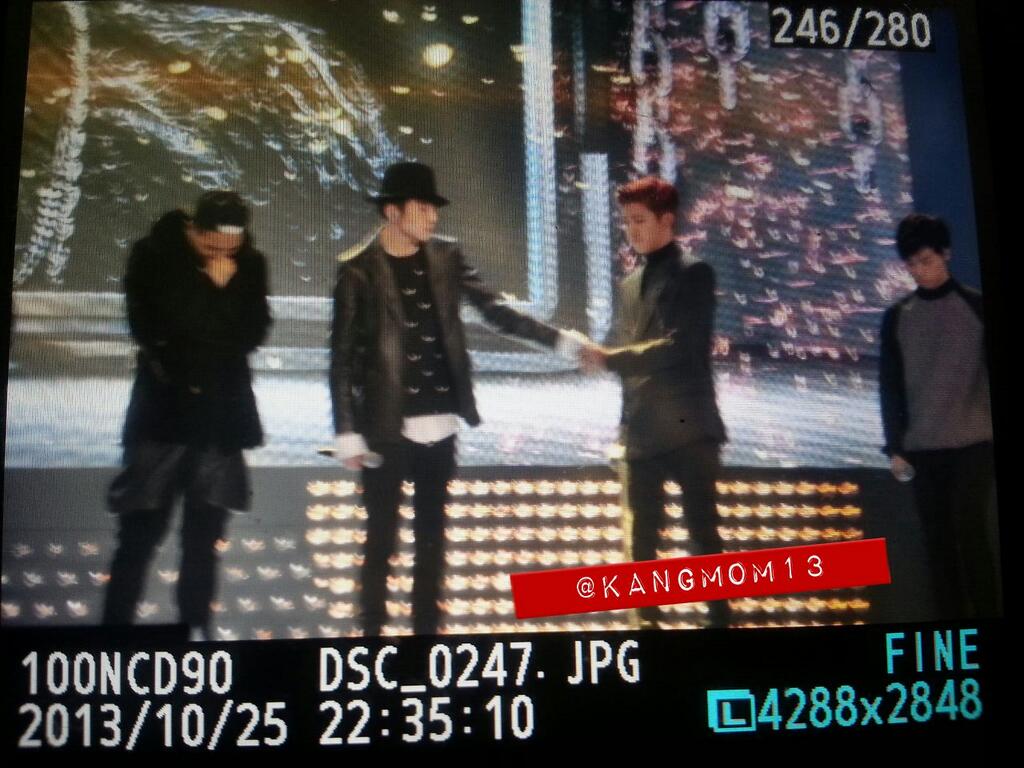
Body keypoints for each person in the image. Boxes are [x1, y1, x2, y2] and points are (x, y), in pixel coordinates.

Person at [330, 161, 581, 636]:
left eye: (434, 209)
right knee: (381, 542)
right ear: (393, 212)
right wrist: (346, 430)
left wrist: (562, 343)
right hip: (385, 426)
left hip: (440, 424)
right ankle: (371, 644)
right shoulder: (357, 271)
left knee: (431, 543)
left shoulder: (446, 257)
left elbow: (496, 311)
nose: (433, 217)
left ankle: (426, 644)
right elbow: (341, 359)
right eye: (423, 208)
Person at [103, 191, 272, 641]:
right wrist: (210, 289)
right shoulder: (154, 254)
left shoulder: (249, 263)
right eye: (213, 245)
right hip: (162, 420)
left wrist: (224, 294)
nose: (222, 255)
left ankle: (194, 635)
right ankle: (112, 639)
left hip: (220, 423)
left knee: (204, 543)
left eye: (231, 247)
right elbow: (152, 328)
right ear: (194, 230)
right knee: (139, 537)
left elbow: (252, 333)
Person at [580, 176, 729, 629]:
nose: (632, 230)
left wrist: (611, 359)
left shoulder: (695, 274)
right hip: (642, 434)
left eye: (640, 220)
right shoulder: (629, 285)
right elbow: (630, 364)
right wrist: (624, 430)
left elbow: (680, 346)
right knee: (641, 545)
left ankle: (722, 629)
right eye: (627, 221)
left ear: (667, 220)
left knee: (703, 538)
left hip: (689, 429)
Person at [879, 214, 1000, 619]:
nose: (919, 270)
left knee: (970, 534)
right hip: (923, 448)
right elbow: (890, 386)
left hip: (974, 443)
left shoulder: (975, 307)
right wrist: (895, 447)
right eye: (912, 264)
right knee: (938, 545)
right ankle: (952, 630)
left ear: (945, 253)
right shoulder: (898, 316)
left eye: (926, 260)